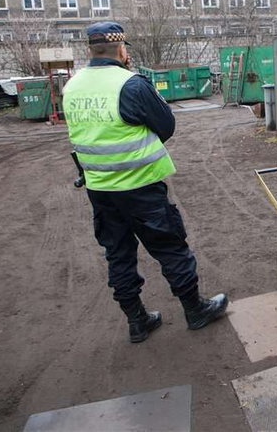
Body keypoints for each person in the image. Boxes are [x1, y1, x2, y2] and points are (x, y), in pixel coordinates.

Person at [63, 21, 228, 343]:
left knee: (118, 254)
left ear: (89, 50)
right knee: (170, 248)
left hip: (100, 189)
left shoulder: (73, 86)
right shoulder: (131, 84)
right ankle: (195, 310)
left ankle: (138, 321)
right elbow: (165, 125)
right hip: (140, 187)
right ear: (122, 49)